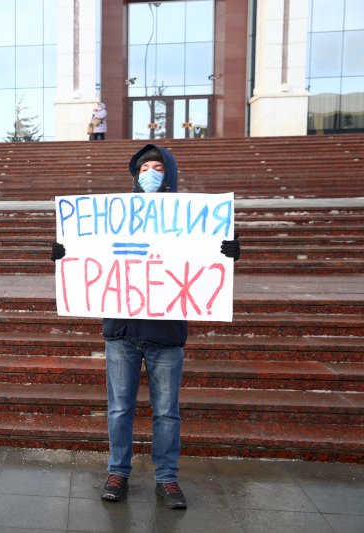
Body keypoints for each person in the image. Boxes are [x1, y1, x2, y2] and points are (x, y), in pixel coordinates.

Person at [51, 144, 240, 509]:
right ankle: (117, 472)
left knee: (167, 411)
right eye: (144, 168)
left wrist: (229, 250)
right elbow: (89, 250)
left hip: (166, 335)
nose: (150, 173)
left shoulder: (192, 218)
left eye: (157, 167)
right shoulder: (112, 216)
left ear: (169, 174)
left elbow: (206, 257)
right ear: (135, 175)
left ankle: (167, 479)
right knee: (119, 408)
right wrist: (64, 252)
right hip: (121, 332)